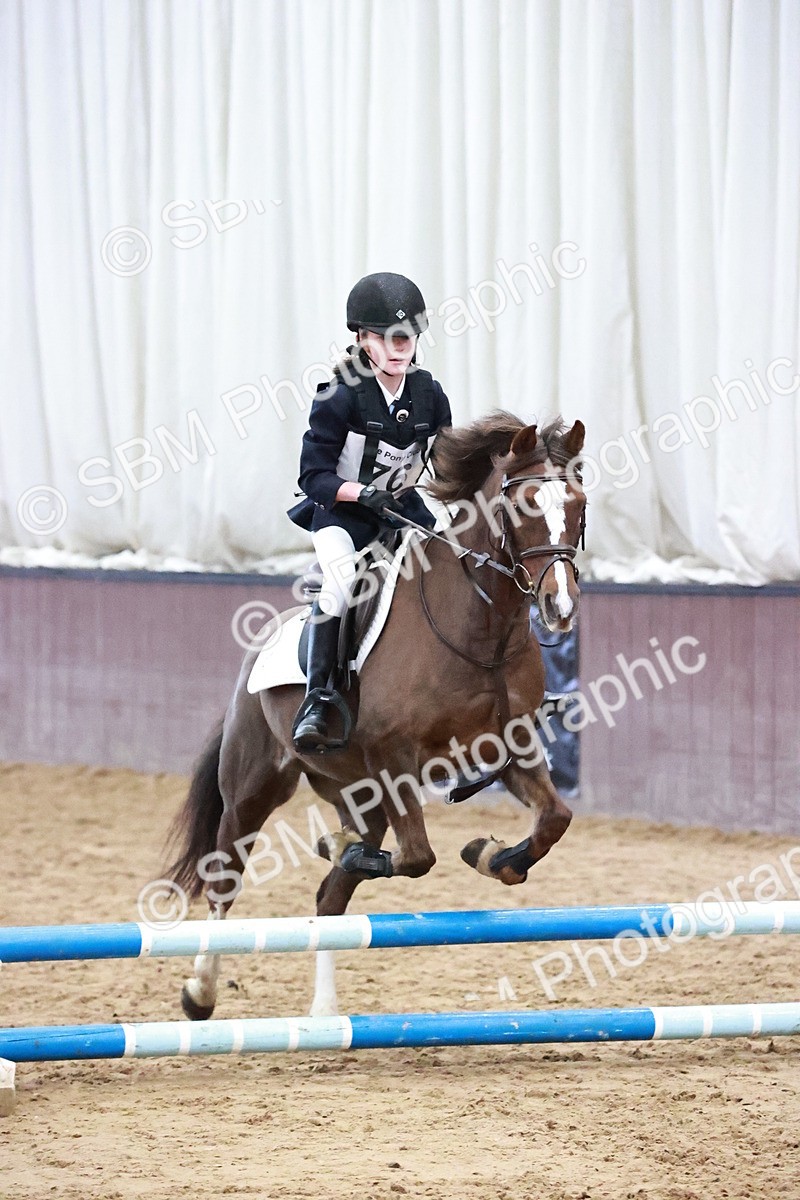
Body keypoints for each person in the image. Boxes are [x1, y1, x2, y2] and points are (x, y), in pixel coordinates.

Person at [287, 271, 452, 752]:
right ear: (362, 339)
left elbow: (447, 461)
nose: (398, 346)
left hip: (404, 513)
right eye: (384, 336)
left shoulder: (429, 394)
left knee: (454, 569)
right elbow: (312, 478)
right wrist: (360, 494)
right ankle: (319, 699)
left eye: (406, 336)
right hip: (343, 519)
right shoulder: (337, 394)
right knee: (338, 591)